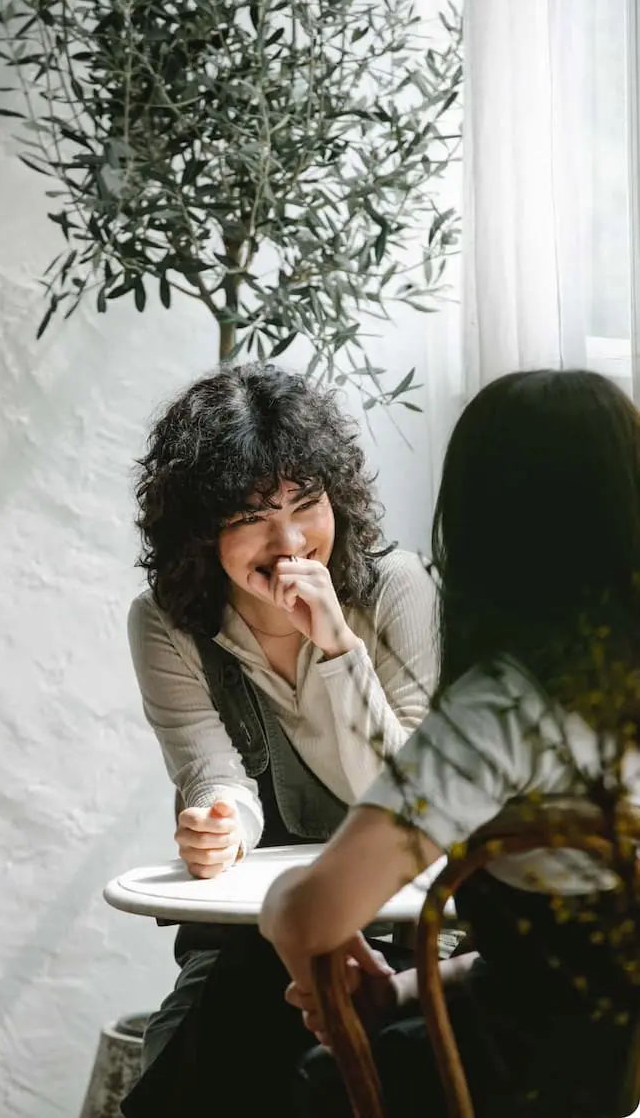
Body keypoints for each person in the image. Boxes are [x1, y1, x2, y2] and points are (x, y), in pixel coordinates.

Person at [260, 369, 640, 1117]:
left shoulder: (501, 712)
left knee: (313, 1078)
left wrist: (284, 902)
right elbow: (576, 966)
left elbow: (315, 917)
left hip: (527, 1079)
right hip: (612, 1076)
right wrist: (402, 987)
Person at [121, 362, 437, 1116]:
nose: (291, 540)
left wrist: (337, 650)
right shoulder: (168, 621)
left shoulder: (396, 587)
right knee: (216, 1028)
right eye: (254, 516)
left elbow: (412, 806)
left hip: (406, 921)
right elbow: (215, 775)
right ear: (202, 529)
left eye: (307, 502)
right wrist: (218, 827)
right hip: (248, 936)